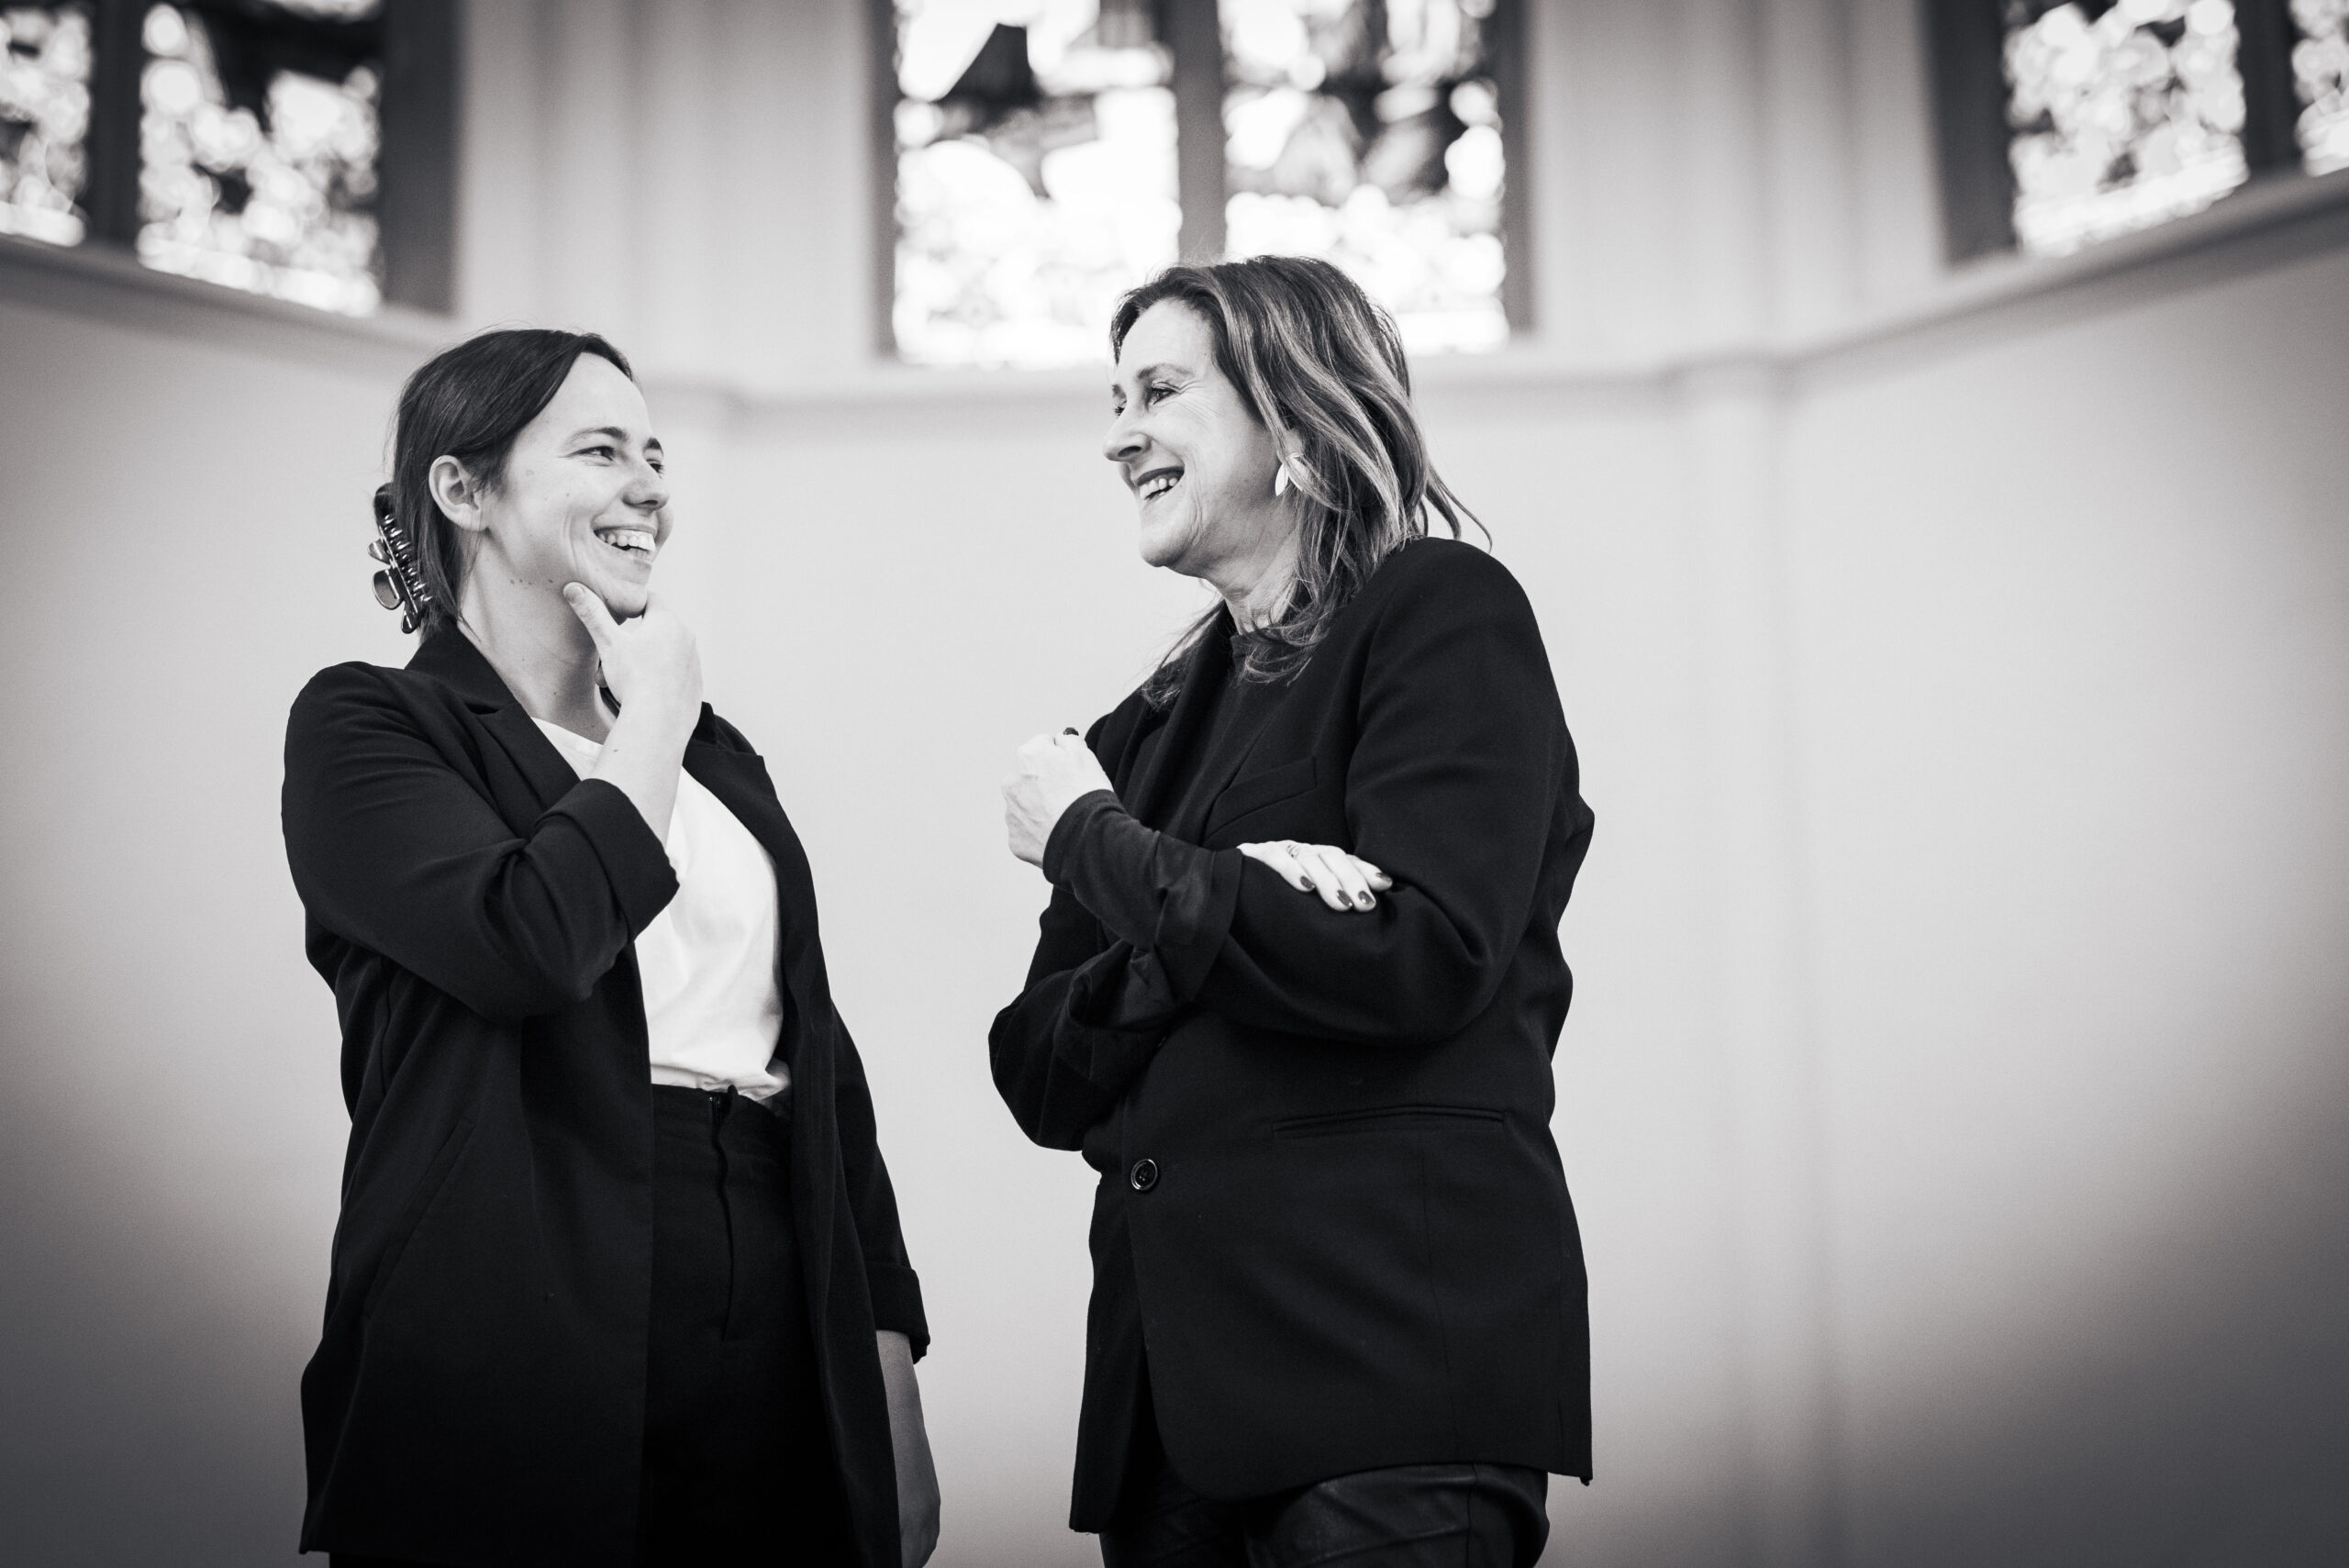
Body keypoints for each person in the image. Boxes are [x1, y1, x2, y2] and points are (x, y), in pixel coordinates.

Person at [281, 328, 939, 1568]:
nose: (651, 488)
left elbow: (823, 1069)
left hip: (771, 1272)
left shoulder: (719, 760)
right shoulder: (371, 724)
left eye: (654, 454)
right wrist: (652, 725)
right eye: (600, 450)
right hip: (513, 1278)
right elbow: (531, 941)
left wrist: (886, 1364)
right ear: (464, 490)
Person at [993, 256, 1597, 1567]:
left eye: (1159, 390)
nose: (1118, 435)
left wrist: (1098, 845)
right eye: (1113, 398)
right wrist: (1233, 896)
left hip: (1388, 1375)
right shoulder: (1142, 730)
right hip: (1170, 1425)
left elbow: (1424, 956)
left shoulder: (1440, 613)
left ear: (1293, 410)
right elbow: (1038, 1069)